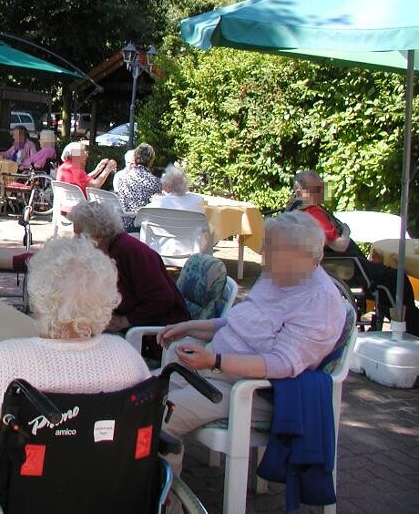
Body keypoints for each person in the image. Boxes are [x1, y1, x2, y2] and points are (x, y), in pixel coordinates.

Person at [0, 236, 151, 463]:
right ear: (108, 298)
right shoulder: (128, 356)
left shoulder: (6, 361)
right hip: (109, 495)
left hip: (12, 498)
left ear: (38, 296)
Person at [156, 211, 346, 477]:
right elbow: (238, 321)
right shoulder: (278, 275)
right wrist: (192, 327)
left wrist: (215, 361)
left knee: (153, 417)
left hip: (248, 390)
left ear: (300, 254)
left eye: (270, 247)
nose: (262, 253)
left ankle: (166, 499)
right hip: (212, 373)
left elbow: (282, 364)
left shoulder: (319, 302)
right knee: (137, 393)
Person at [289, 170, 417, 333]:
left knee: (389, 280)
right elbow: (340, 246)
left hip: (326, 265)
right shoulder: (312, 213)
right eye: (316, 189)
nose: (321, 194)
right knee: (398, 279)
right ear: (301, 190)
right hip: (343, 267)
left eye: (321, 189)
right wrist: (346, 231)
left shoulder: (293, 209)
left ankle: (400, 318)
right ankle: (410, 326)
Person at [70, 201, 189, 333]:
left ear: (98, 236)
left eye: (79, 235)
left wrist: (125, 320)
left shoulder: (129, 250)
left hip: (160, 332)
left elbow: (162, 298)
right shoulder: (103, 251)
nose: (75, 240)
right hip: (137, 325)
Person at [113, 142, 161, 229]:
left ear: (135, 158)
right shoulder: (154, 181)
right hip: (142, 226)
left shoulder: (122, 177)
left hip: (122, 222)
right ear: (151, 160)